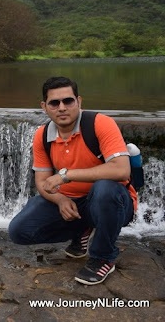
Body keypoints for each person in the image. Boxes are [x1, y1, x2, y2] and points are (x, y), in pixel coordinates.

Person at [8, 76, 137, 285]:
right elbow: (42, 183)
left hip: (114, 203)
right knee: (20, 231)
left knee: (104, 189)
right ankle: (82, 229)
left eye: (68, 101)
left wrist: (67, 175)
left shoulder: (100, 124)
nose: (62, 108)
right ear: (44, 107)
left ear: (79, 101)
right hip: (73, 201)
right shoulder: (42, 135)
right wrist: (60, 200)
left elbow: (122, 170)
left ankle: (103, 257)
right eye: (54, 103)